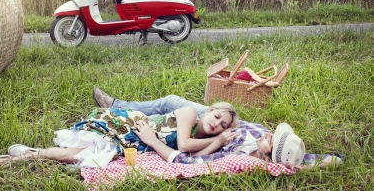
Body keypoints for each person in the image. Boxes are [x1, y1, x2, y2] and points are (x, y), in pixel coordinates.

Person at [93, 86, 342, 168]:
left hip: (218, 128)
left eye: (271, 140)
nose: (269, 133)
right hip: (229, 119)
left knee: (170, 103)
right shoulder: (261, 137)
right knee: (171, 101)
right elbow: (303, 157)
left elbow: (186, 155)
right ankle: (116, 105)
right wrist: (326, 159)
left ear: (268, 155)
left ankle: (115, 106)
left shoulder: (237, 155)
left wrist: (220, 139)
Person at [0, 100, 241, 167]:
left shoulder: (207, 139)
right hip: (128, 126)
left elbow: (190, 159)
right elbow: (184, 145)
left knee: (79, 156)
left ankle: (30, 154)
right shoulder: (188, 114)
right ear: (207, 111)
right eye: (217, 116)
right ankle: (27, 156)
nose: (217, 124)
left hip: (132, 142)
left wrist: (217, 143)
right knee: (81, 155)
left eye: (223, 126)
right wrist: (215, 140)